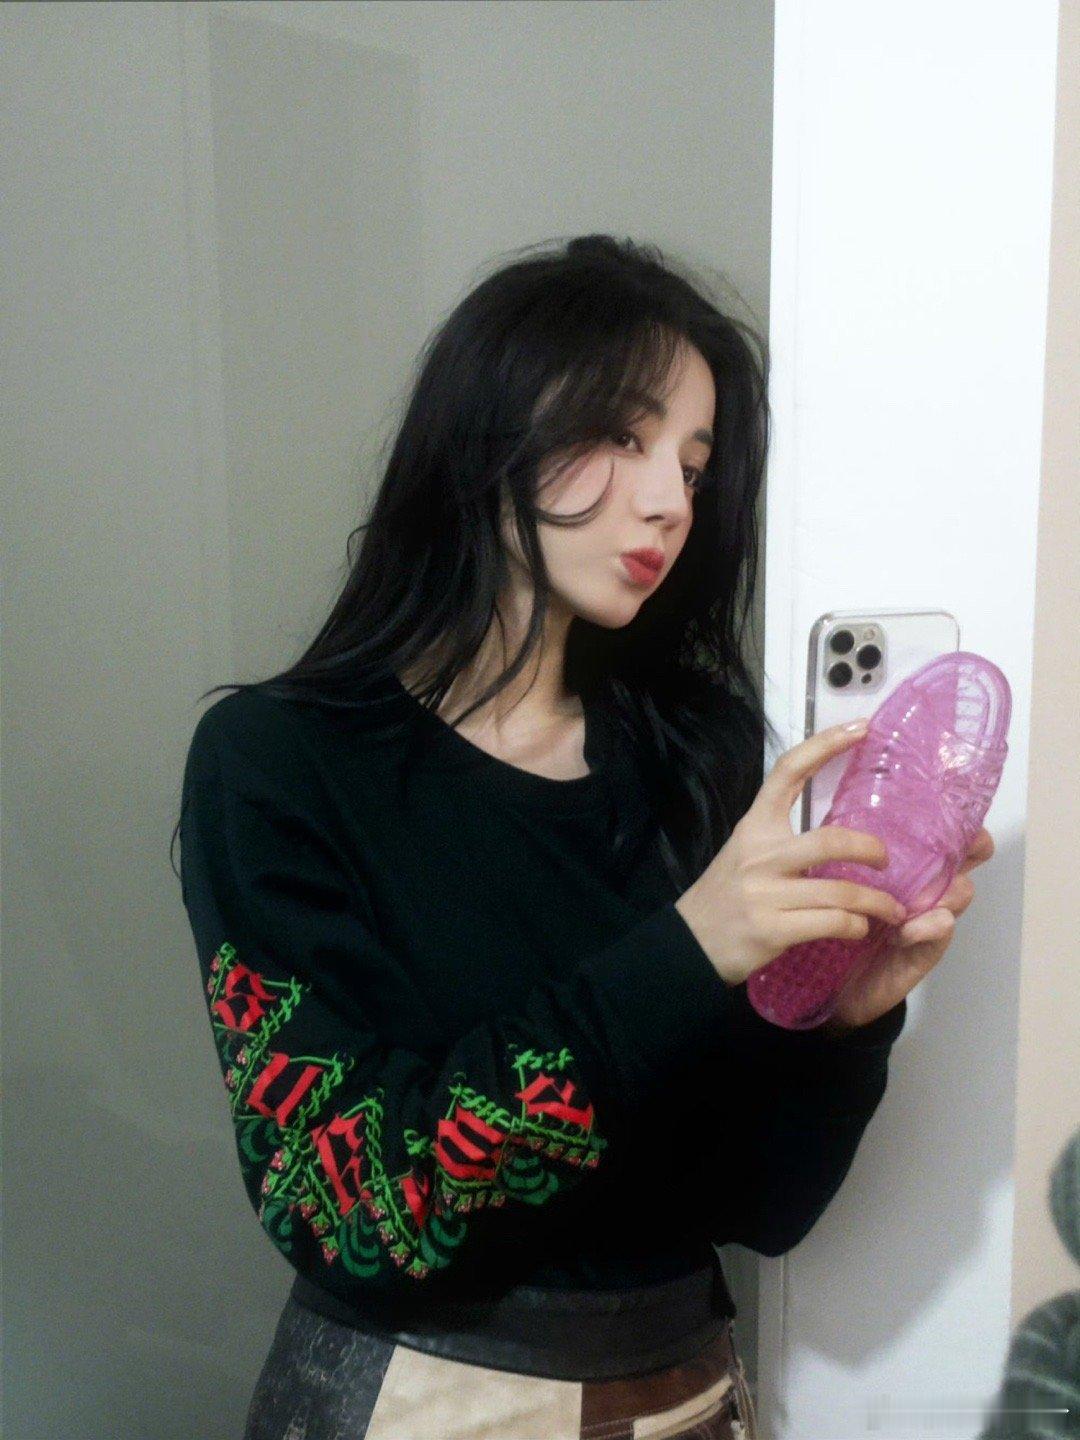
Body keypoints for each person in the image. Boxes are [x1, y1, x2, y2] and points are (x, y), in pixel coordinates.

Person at [172, 234, 991, 1440]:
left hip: (684, 1395)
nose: (670, 500)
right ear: (486, 430)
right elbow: (356, 1209)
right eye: (621, 434)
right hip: (416, 1402)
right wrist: (688, 949)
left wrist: (842, 1024)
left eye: (695, 465)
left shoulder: (696, 755)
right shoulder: (280, 764)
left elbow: (760, 1209)